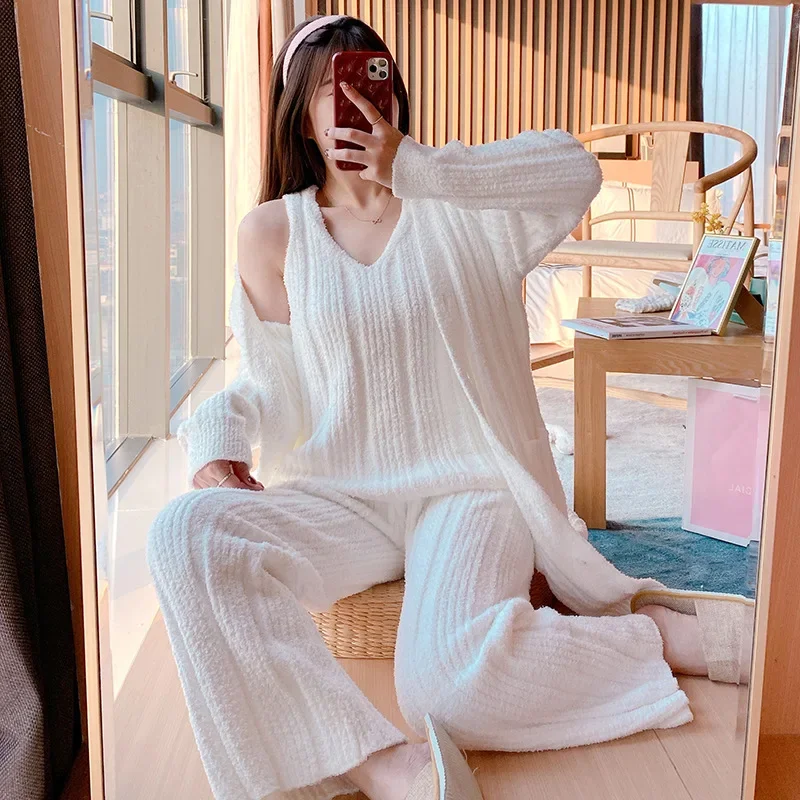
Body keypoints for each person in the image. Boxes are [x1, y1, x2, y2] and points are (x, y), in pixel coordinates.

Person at [146, 15, 754, 800]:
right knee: (184, 532)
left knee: (447, 691)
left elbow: (575, 170)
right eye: (327, 89)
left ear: (395, 92)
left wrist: (416, 167)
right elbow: (269, 383)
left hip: (468, 486)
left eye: (371, 78)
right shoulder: (273, 232)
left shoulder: (461, 206)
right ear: (298, 114)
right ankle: (374, 762)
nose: (354, 103)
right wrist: (217, 440)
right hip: (343, 497)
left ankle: (663, 638)